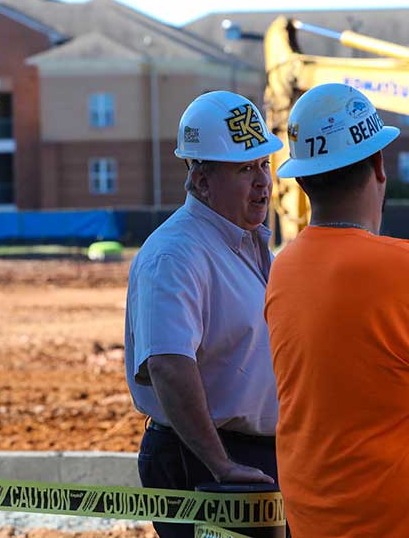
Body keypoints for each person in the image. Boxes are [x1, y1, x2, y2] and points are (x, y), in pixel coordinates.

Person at [264, 83, 409, 538]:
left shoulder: (284, 271)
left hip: (316, 521)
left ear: (303, 179)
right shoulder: (407, 270)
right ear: (378, 164)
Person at [124, 91, 283, 538]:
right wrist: (221, 466)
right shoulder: (176, 255)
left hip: (249, 456)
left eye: (263, 165)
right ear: (200, 178)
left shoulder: (246, 243)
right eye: (243, 169)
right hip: (202, 457)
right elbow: (168, 366)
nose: (262, 182)